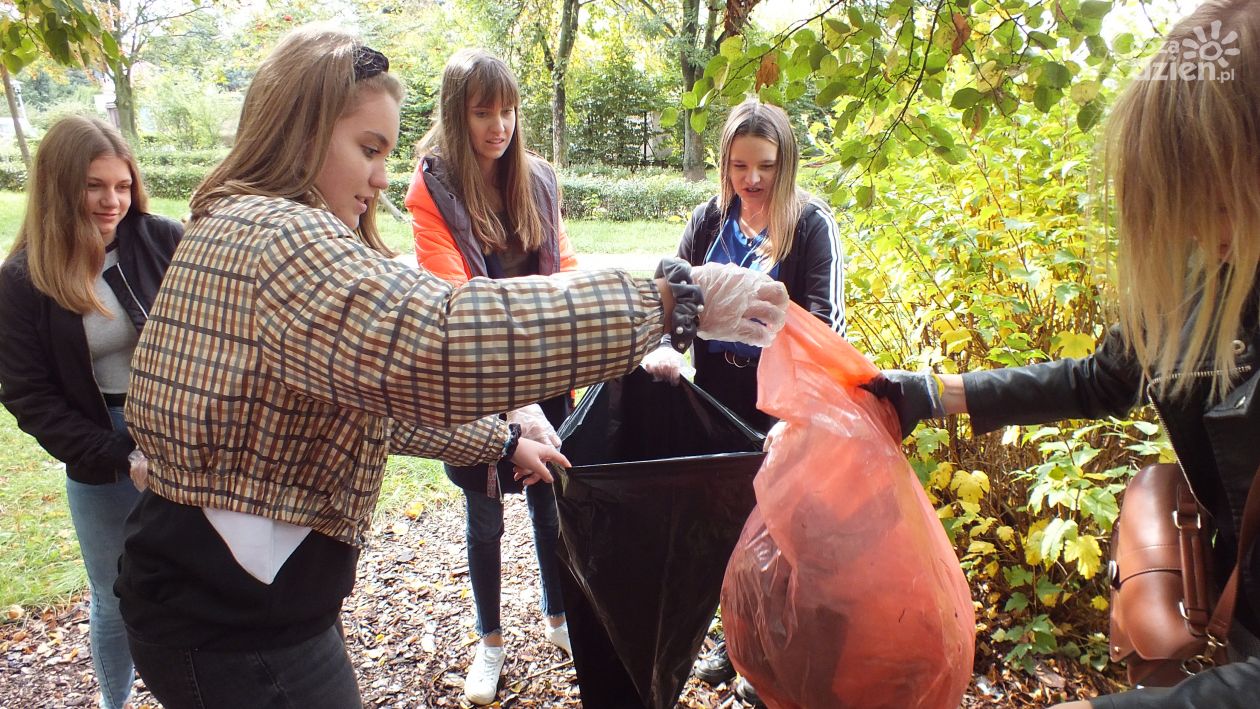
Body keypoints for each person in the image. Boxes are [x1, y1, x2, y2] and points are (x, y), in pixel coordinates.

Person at [111, 24, 789, 709]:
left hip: (223, 598)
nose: (381, 175)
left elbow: (371, 398)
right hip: (235, 621)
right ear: (302, 131)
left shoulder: (239, 224)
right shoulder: (282, 239)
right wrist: (667, 304)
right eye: (368, 149)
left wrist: (502, 441)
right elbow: (441, 334)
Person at [865, 1, 1260, 707]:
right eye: (1179, 195)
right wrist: (936, 392)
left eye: (1212, 192)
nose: (1194, 224)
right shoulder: (1200, 272)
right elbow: (1105, 377)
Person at [641, 99, 845, 704]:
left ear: (786, 163)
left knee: (778, 533)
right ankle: (733, 641)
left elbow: (826, 326)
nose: (751, 179)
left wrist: (798, 408)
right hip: (717, 397)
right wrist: (667, 346)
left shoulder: (810, 225)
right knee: (725, 528)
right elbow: (672, 294)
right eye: (738, 165)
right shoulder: (709, 220)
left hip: (779, 400)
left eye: (765, 166)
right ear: (724, 163)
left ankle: (766, 658)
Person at [403, 48, 580, 705]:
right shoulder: (434, 190)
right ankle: (491, 642)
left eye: (508, 110)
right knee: (484, 519)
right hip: (477, 382)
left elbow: (563, 270)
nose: (499, 125)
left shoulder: (538, 179)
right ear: (457, 115)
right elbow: (459, 304)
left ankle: (560, 618)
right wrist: (514, 403)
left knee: (549, 501)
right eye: (483, 112)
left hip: (544, 373)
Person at [0, 115, 183, 709]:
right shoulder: (24, 279)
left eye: (122, 186)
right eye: (94, 186)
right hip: (100, 448)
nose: (113, 202)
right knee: (115, 594)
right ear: (58, 187)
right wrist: (116, 452)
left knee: (197, 581)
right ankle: (114, 702)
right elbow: (28, 394)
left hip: (181, 433)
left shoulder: (162, 239)